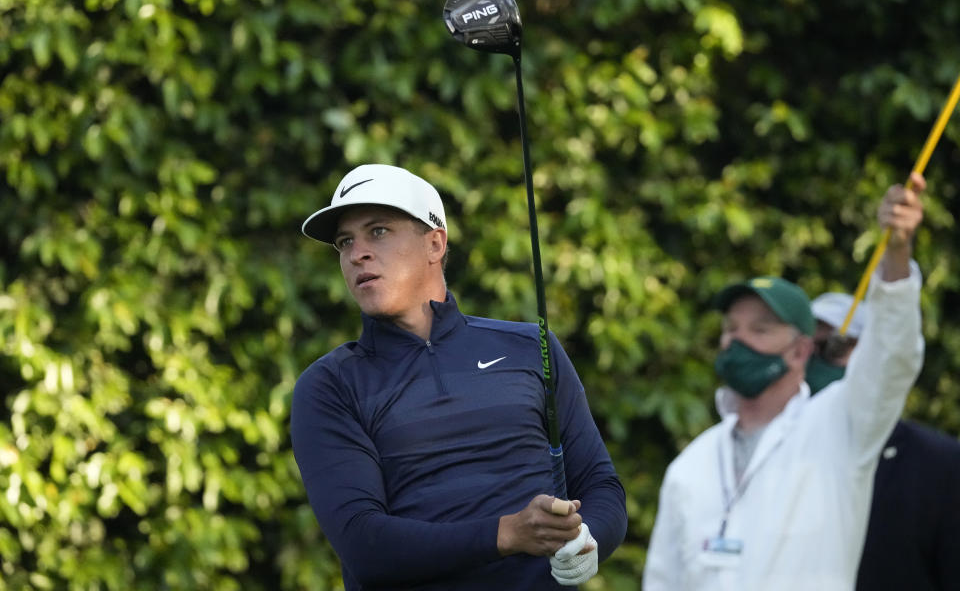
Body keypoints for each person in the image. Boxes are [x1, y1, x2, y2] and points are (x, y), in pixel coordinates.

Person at [290, 164, 627, 590]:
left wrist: (588, 538)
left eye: (377, 232)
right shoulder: (328, 386)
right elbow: (364, 545)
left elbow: (600, 485)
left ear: (435, 243)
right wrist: (507, 534)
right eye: (344, 242)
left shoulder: (530, 346)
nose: (356, 253)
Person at [642, 173, 927, 591]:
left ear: (799, 351)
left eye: (760, 330)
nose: (737, 340)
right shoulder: (691, 466)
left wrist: (897, 254)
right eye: (731, 328)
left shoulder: (842, 426)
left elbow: (892, 356)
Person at [807, 291, 960, 591]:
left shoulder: (941, 463)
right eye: (804, 351)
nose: (816, 363)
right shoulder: (779, 455)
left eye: (833, 347)